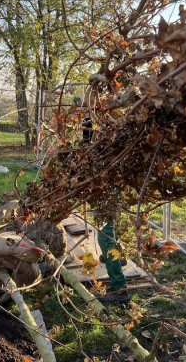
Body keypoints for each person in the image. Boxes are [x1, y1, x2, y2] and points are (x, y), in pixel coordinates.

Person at [74, 96, 128, 303]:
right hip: (109, 184)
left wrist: (87, 129)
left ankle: (119, 287)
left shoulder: (112, 132)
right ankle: (117, 258)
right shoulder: (107, 126)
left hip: (110, 185)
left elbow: (92, 146)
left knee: (105, 236)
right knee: (110, 226)